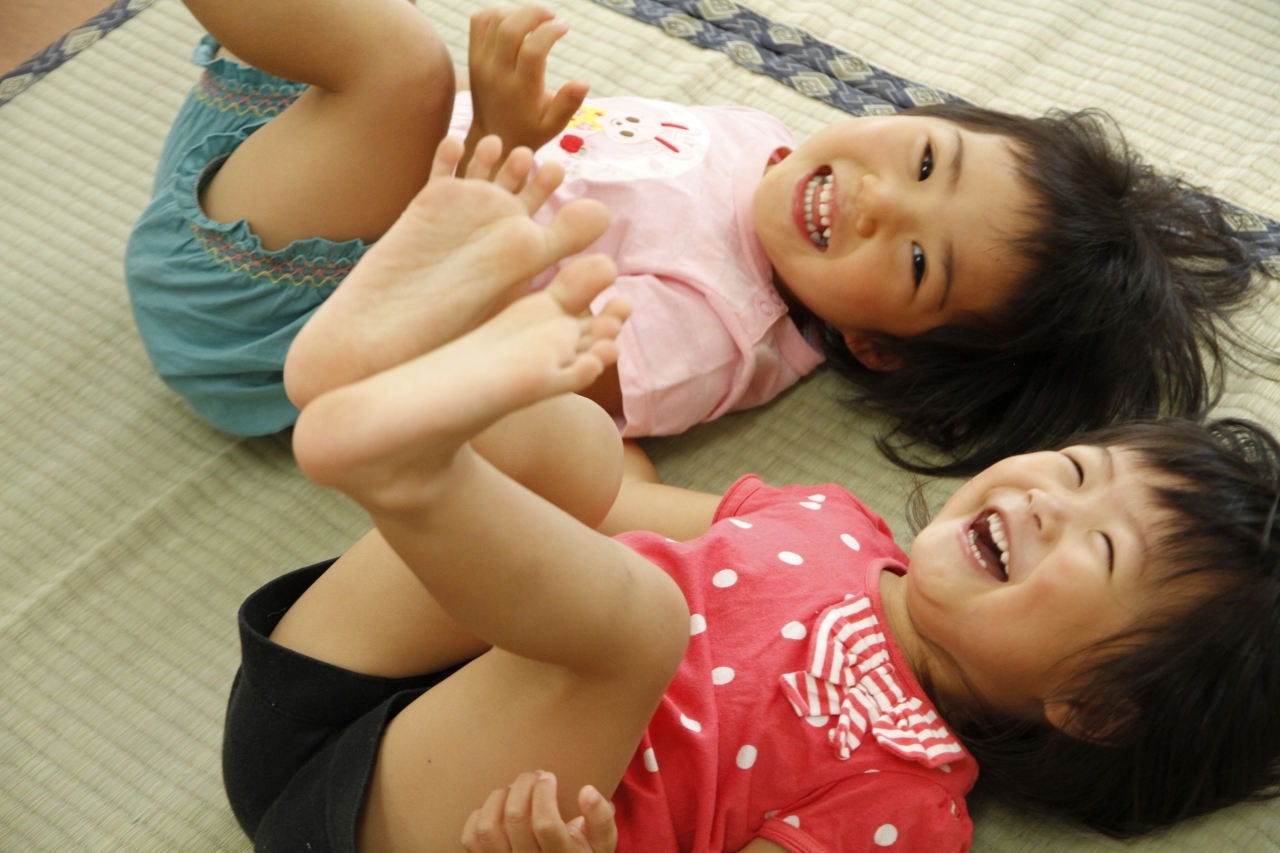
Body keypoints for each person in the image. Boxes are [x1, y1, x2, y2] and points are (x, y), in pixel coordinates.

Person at [221, 137, 1280, 853]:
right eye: (1078, 468)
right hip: (339, 685)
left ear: (1089, 709)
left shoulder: (906, 804)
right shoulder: (830, 518)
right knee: (584, 462)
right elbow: (600, 520)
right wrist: (553, 432)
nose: (1052, 502)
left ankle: (398, 446)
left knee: (634, 624)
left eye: (1095, 551)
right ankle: (382, 391)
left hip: (410, 824)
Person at [125, 0, 1261, 476]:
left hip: (275, 303)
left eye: (915, 262)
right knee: (389, 57)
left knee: (401, 66)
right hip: (277, 143)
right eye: (923, 160)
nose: (876, 201)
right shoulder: (763, 139)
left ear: (878, 348)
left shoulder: (713, 332)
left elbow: (493, 374)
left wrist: (497, 154)